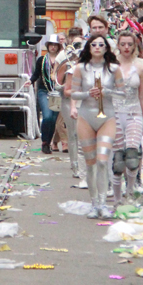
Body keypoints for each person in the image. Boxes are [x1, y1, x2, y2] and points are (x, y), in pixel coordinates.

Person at [70, 33, 124, 219]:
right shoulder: (80, 68)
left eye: (102, 44)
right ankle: (94, 203)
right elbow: (73, 93)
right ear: (89, 47)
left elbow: (123, 92)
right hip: (86, 117)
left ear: (107, 48)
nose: (98, 47)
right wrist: (88, 93)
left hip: (107, 117)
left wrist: (107, 91)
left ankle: (103, 203)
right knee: (91, 163)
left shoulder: (114, 69)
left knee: (103, 161)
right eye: (94, 44)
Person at [113, 30, 143, 203]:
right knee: (118, 159)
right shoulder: (111, 65)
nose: (126, 47)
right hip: (115, 114)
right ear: (118, 46)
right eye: (123, 44)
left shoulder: (141, 66)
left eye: (130, 44)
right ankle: (118, 198)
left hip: (134, 113)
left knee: (133, 154)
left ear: (135, 46)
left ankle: (131, 191)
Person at [55, 28, 85, 180]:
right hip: (69, 102)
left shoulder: (89, 65)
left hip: (85, 103)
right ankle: (75, 165)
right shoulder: (65, 61)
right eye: (76, 45)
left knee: (83, 136)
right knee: (73, 134)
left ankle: (83, 164)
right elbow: (58, 83)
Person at [29, 34, 62, 154]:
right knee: (47, 116)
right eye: (51, 45)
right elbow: (36, 74)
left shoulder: (62, 60)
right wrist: (30, 81)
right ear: (48, 46)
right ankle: (44, 141)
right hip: (44, 91)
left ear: (58, 47)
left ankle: (48, 142)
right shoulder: (42, 60)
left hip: (57, 92)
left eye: (55, 45)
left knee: (53, 119)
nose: (53, 47)